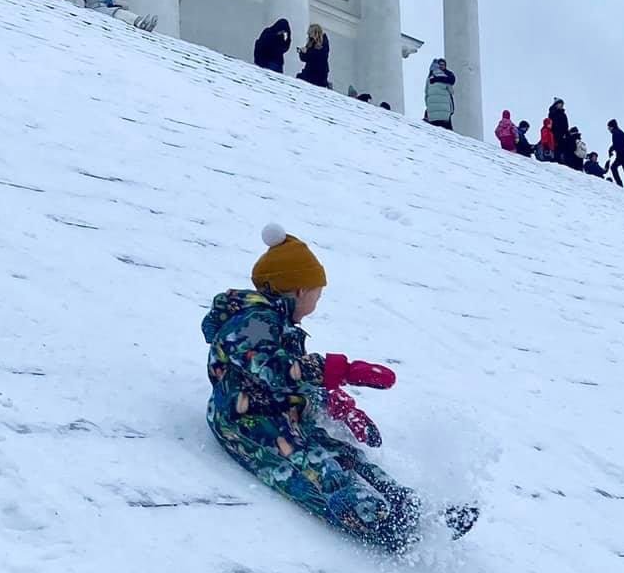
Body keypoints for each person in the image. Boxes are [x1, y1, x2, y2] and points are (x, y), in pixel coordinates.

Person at [201, 224, 475, 552]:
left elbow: (291, 381)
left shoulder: (277, 323)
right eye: (317, 292)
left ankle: (413, 508)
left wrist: (336, 404)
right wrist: (338, 369)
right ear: (298, 290)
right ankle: (383, 525)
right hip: (244, 424)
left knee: (347, 455)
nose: (318, 299)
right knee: (317, 467)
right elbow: (274, 371)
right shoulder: (251, 321)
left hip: (279, 414)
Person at [423, 58, 456, 128]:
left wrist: (428, 105)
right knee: (447, 132)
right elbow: (451, 91)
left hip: (432, 113)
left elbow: (426, 93)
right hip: (444, 112)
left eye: (443, 64)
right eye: (440, 64)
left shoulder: (429, 78)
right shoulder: (446, 77)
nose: (442, 66)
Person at [607, 120, 624, 189]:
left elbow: (617, 145)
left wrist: (611, 150)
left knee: (614, 168)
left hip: (623, 155)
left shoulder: (616, 133)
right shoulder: (618, 132)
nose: (608, 129)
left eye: (609, 127)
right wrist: (611, 149)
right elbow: (616, 144)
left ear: (612, 127)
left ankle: (620, 184)